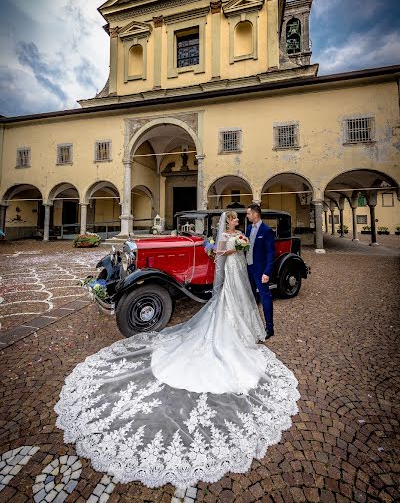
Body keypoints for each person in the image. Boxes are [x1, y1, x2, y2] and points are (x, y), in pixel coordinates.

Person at [54, 211, 299, 489]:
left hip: (236, 270)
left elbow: (227, 250)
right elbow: (221, 248)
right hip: (229, 267)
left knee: (233, 300)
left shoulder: (240, 235)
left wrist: (226, 248)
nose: (232, 223)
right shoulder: (230, 236)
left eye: (229, 221)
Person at [246, 204, 276, 339]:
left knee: (265, 296)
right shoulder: (248, 228)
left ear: (255, 214)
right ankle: (253, 324)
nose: (247, 216)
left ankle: (270, 327)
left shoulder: (266, 231)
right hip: (248, 268)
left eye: (248, 214)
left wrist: (267, 272)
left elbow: (271, 254)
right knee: (251, 297)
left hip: (260, 270)